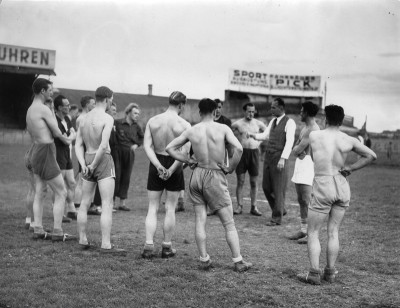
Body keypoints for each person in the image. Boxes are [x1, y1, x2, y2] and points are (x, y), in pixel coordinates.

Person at [166, 98, 252, 272]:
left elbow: (170, 148)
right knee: (228, 223)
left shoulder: (192, 130)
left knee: (200, 219)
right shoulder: (222, 128)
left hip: (196, 175)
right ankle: (238, 261)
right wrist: (230, 168)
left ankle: (204, 258)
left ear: (199, 112)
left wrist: (187, 159)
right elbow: (240, 149)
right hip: (215, 175)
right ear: (214, 112)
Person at [297, 105, 376, 285]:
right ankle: (330, 273)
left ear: (326, 118)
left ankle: (314, 274)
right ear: (341, 121)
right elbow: (371, 155)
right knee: (333, 232)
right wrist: (350, 168)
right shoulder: (348, 139)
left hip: (323, 184)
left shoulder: (315, 135)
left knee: (313, 232)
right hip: (341, 184)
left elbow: (301, 150)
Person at [75, 86, 126, 255]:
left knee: (84, 202)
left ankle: (82, 239)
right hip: (102, 159)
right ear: (108, 99)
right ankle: (105, 244)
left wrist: (84, 165)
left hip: (88, 157)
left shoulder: (83, 118)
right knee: (106, 203)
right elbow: (104, 145)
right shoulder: (107, 118)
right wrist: (94, 165)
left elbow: (78, 144)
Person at [141, 91, 191, 259]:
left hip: (156, 162)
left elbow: (147, 146)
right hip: (174, 163)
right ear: (181, 105)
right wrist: (171, 169)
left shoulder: (153, 121)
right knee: (170, 208)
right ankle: (166, 247)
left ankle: (148, 245)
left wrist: (157, 165)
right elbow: (184, 152)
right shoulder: (184, 124)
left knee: (152, 207)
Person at [26, 78, 76, 242]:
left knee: (40, 191)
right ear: (42, 91)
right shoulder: (44, 109)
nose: (52, 92)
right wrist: (69, 139)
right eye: (50, 90)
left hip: (35, 150)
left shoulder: (30, 109)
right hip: (45, 151)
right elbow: (57, 132)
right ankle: (57, 231)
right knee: (61, 191)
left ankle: (38, 228)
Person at [248, 97, 296, 226]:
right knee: (266, 187)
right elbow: (265, 135)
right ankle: (281, 209)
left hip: (279, 157)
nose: (271, 109)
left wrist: (283, 158)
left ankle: (276, 218)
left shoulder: (289, 122)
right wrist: (254, 136)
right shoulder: (273, 121)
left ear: (281, 108)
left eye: (273, 107)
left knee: (278, 188)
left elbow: (290, 142)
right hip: (269, 157)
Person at [288, 101, 320, 244]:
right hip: (301, 164)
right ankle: (303, 230)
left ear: (307, 112)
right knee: (301, 200)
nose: (300, 113)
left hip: (308, 165)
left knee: (307, 200)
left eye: (302, 111)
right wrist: (298, 149)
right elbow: (297, 147)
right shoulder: (305, 127)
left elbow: (296, 149)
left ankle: (311, 234)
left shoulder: (313, 129)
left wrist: (298, 150)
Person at [231, 103, 267, 216]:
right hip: (242, 153)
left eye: (253, 111)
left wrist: (258, 142)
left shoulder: (258, 123)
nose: (251, 113)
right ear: (244, 111)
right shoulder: (237, 123)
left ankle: (254, 207)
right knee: (240, 181)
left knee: (253, 182)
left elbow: (267, 134)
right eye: (249, 111)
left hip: (254, 153)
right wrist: (234, 145)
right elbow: (228, 134)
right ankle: (239, 206)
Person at [114, 103, 144, 211]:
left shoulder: (136, 126)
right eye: (135, 113)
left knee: (126, 177)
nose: (137, 115)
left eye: (138, 114)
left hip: (129, 153)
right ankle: (111, 203)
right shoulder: (117, 123)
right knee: (116, 176)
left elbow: (142, 138)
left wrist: (137, 144)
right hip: (117, 152)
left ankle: (122, 203)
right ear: (128, 112)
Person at [53, 95, 78, 222]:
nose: (69, 107)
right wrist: (70, 137)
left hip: (67, 155)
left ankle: (71, 209)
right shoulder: (54, 121)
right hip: (58, 154)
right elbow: (67, 140)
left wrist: (70, 137)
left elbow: (73, 134)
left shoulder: (67, 119)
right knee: (60, 185)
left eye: (69, 105)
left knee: (72, 183)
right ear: (59, 107)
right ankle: (58, 213)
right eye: (66, 105)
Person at [92, 102, 118, 213]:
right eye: (113, 110)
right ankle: (98, 205)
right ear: (107, 110)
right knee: (101, 181)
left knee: (111, 180)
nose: (115, 112)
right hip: (104, 154)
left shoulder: (113, 123)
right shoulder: (104, 122)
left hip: (114, 154)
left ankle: (106, 204)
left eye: (115, 110)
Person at [73, 96, 96, 212]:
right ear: (87, 105)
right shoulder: (81, 118)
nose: (95, 105)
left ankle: (88, 205)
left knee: (90, 179)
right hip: (84, 152)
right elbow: (81, 140)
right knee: (81, 179)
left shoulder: (88, 117)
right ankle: (77, 206)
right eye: (93, 103)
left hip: (90, 151)